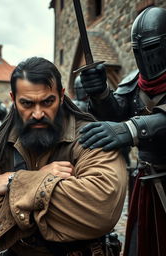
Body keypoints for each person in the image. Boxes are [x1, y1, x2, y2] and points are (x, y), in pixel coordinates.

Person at [0, 57, 127, 256]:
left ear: (61, 95)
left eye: (47, 101)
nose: (38, 113)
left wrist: (16, 181)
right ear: (13, 100)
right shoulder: (1, 141)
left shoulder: (90, 136)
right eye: (27, 103)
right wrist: (43, 178)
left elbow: (99, 208)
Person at [79, 6, 166, 256]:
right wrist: (101, 93)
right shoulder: (134, 81)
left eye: (152, 48)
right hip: (146, 180)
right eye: (140, 51)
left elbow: (131, 125)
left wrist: (132, 128)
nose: (147, 57)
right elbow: (114, 115)